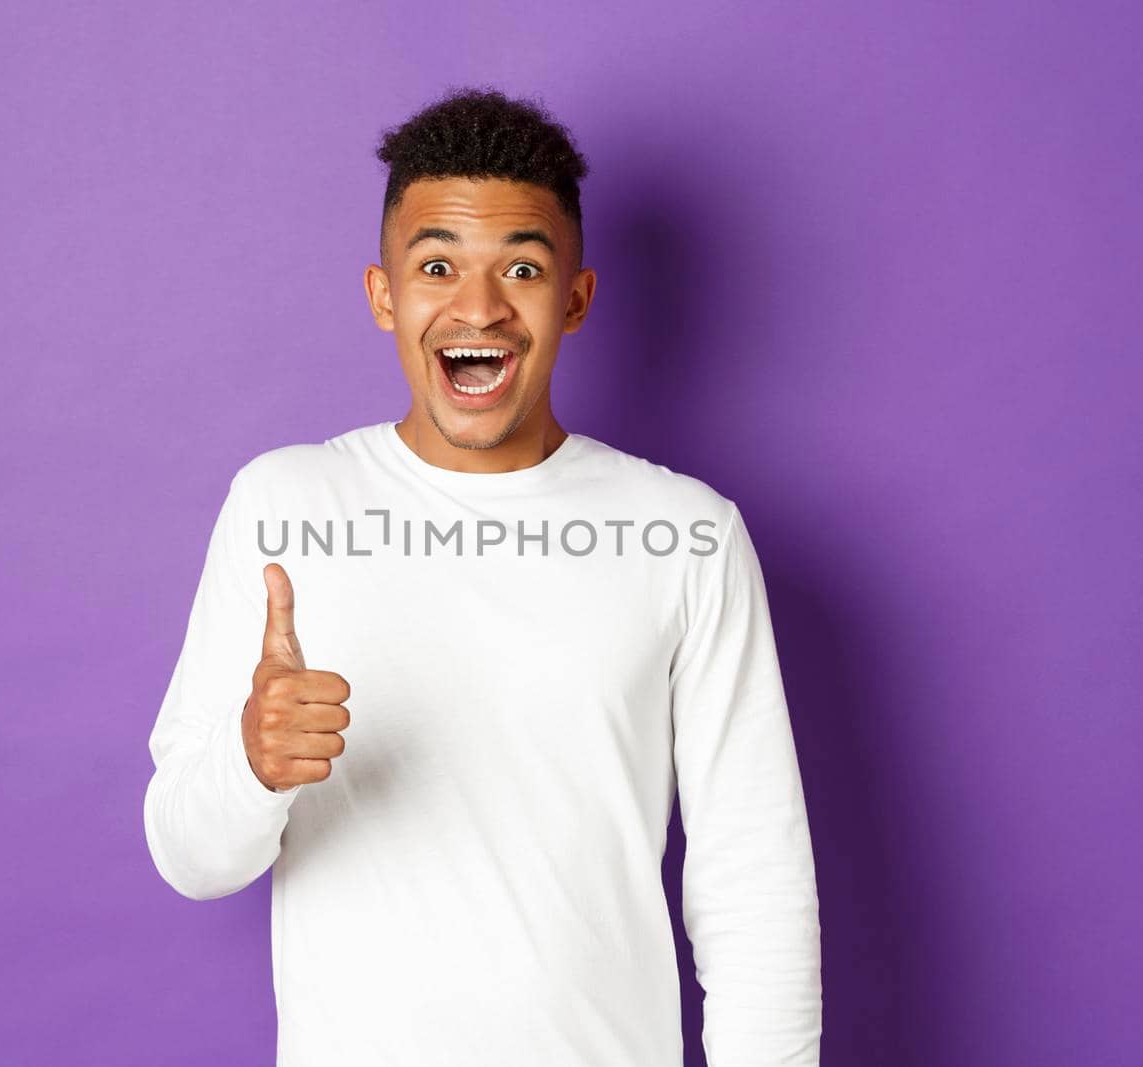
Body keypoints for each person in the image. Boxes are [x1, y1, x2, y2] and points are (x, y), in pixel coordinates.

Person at [143, 86, 822, 1066]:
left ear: (575, 298)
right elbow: (187, 855)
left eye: (520, 266)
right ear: (384, 294)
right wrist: (252, 762)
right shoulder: (285, 505)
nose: (478, 305)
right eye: (436, 266)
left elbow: (752, 883)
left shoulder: (688, 534)